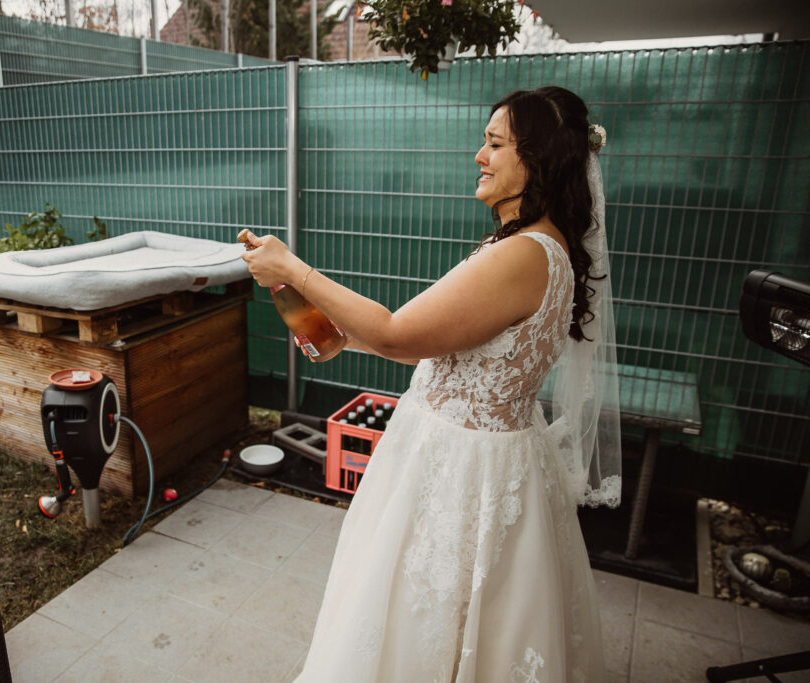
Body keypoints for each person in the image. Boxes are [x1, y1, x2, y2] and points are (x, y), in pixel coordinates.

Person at [241, 85, 621, 682]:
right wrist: (333, 331)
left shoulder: (523, 254)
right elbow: (440, 345)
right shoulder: (538, 247)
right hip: (483, 455)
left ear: (539, 158)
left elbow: (397, 335)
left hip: (463, 472)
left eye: (495, 143)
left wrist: (294, 268)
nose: (479, 156)